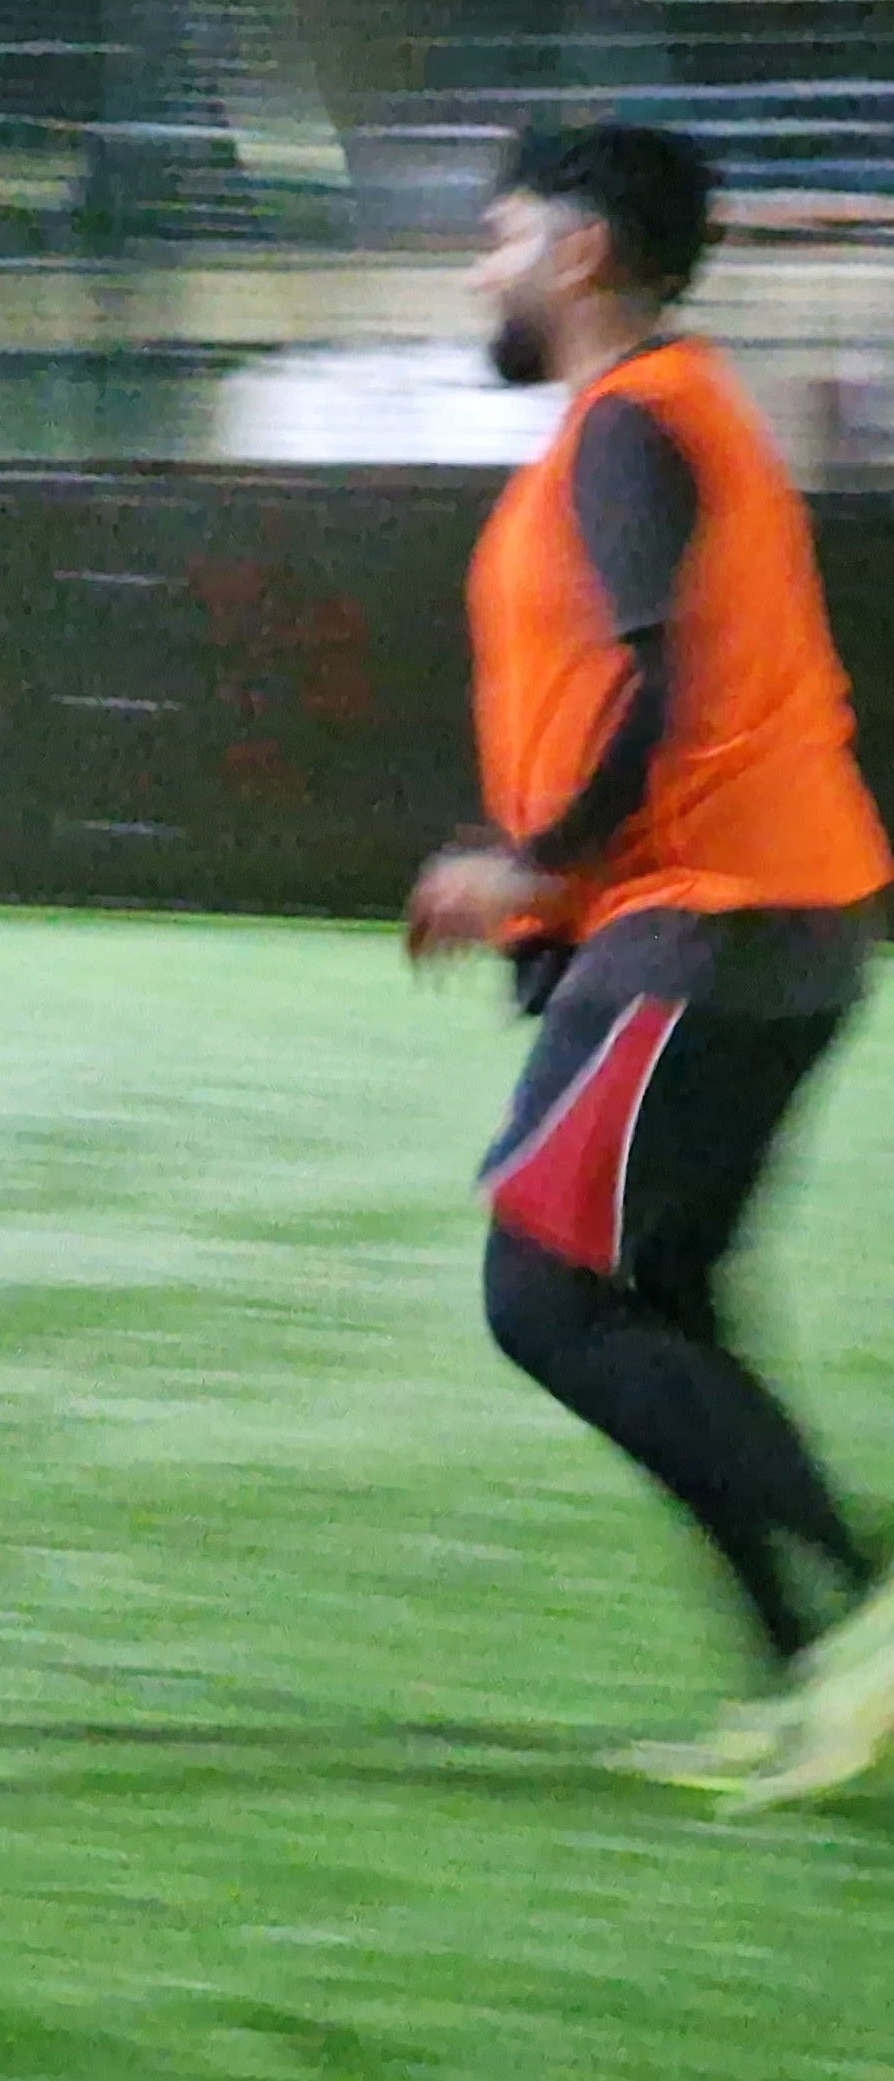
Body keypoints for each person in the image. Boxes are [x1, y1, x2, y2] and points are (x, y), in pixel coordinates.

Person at [405, 124, 891, 1807]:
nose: (482, 267)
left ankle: (864, 1609)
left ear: (581, 251)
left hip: (712, 917)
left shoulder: (631, 421)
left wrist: (527, 865)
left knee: (544, 1293)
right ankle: (806, 1676)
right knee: (662, 1303)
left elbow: (652, 688)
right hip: (764, 913)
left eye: (500, 235)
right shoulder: (653, 416)